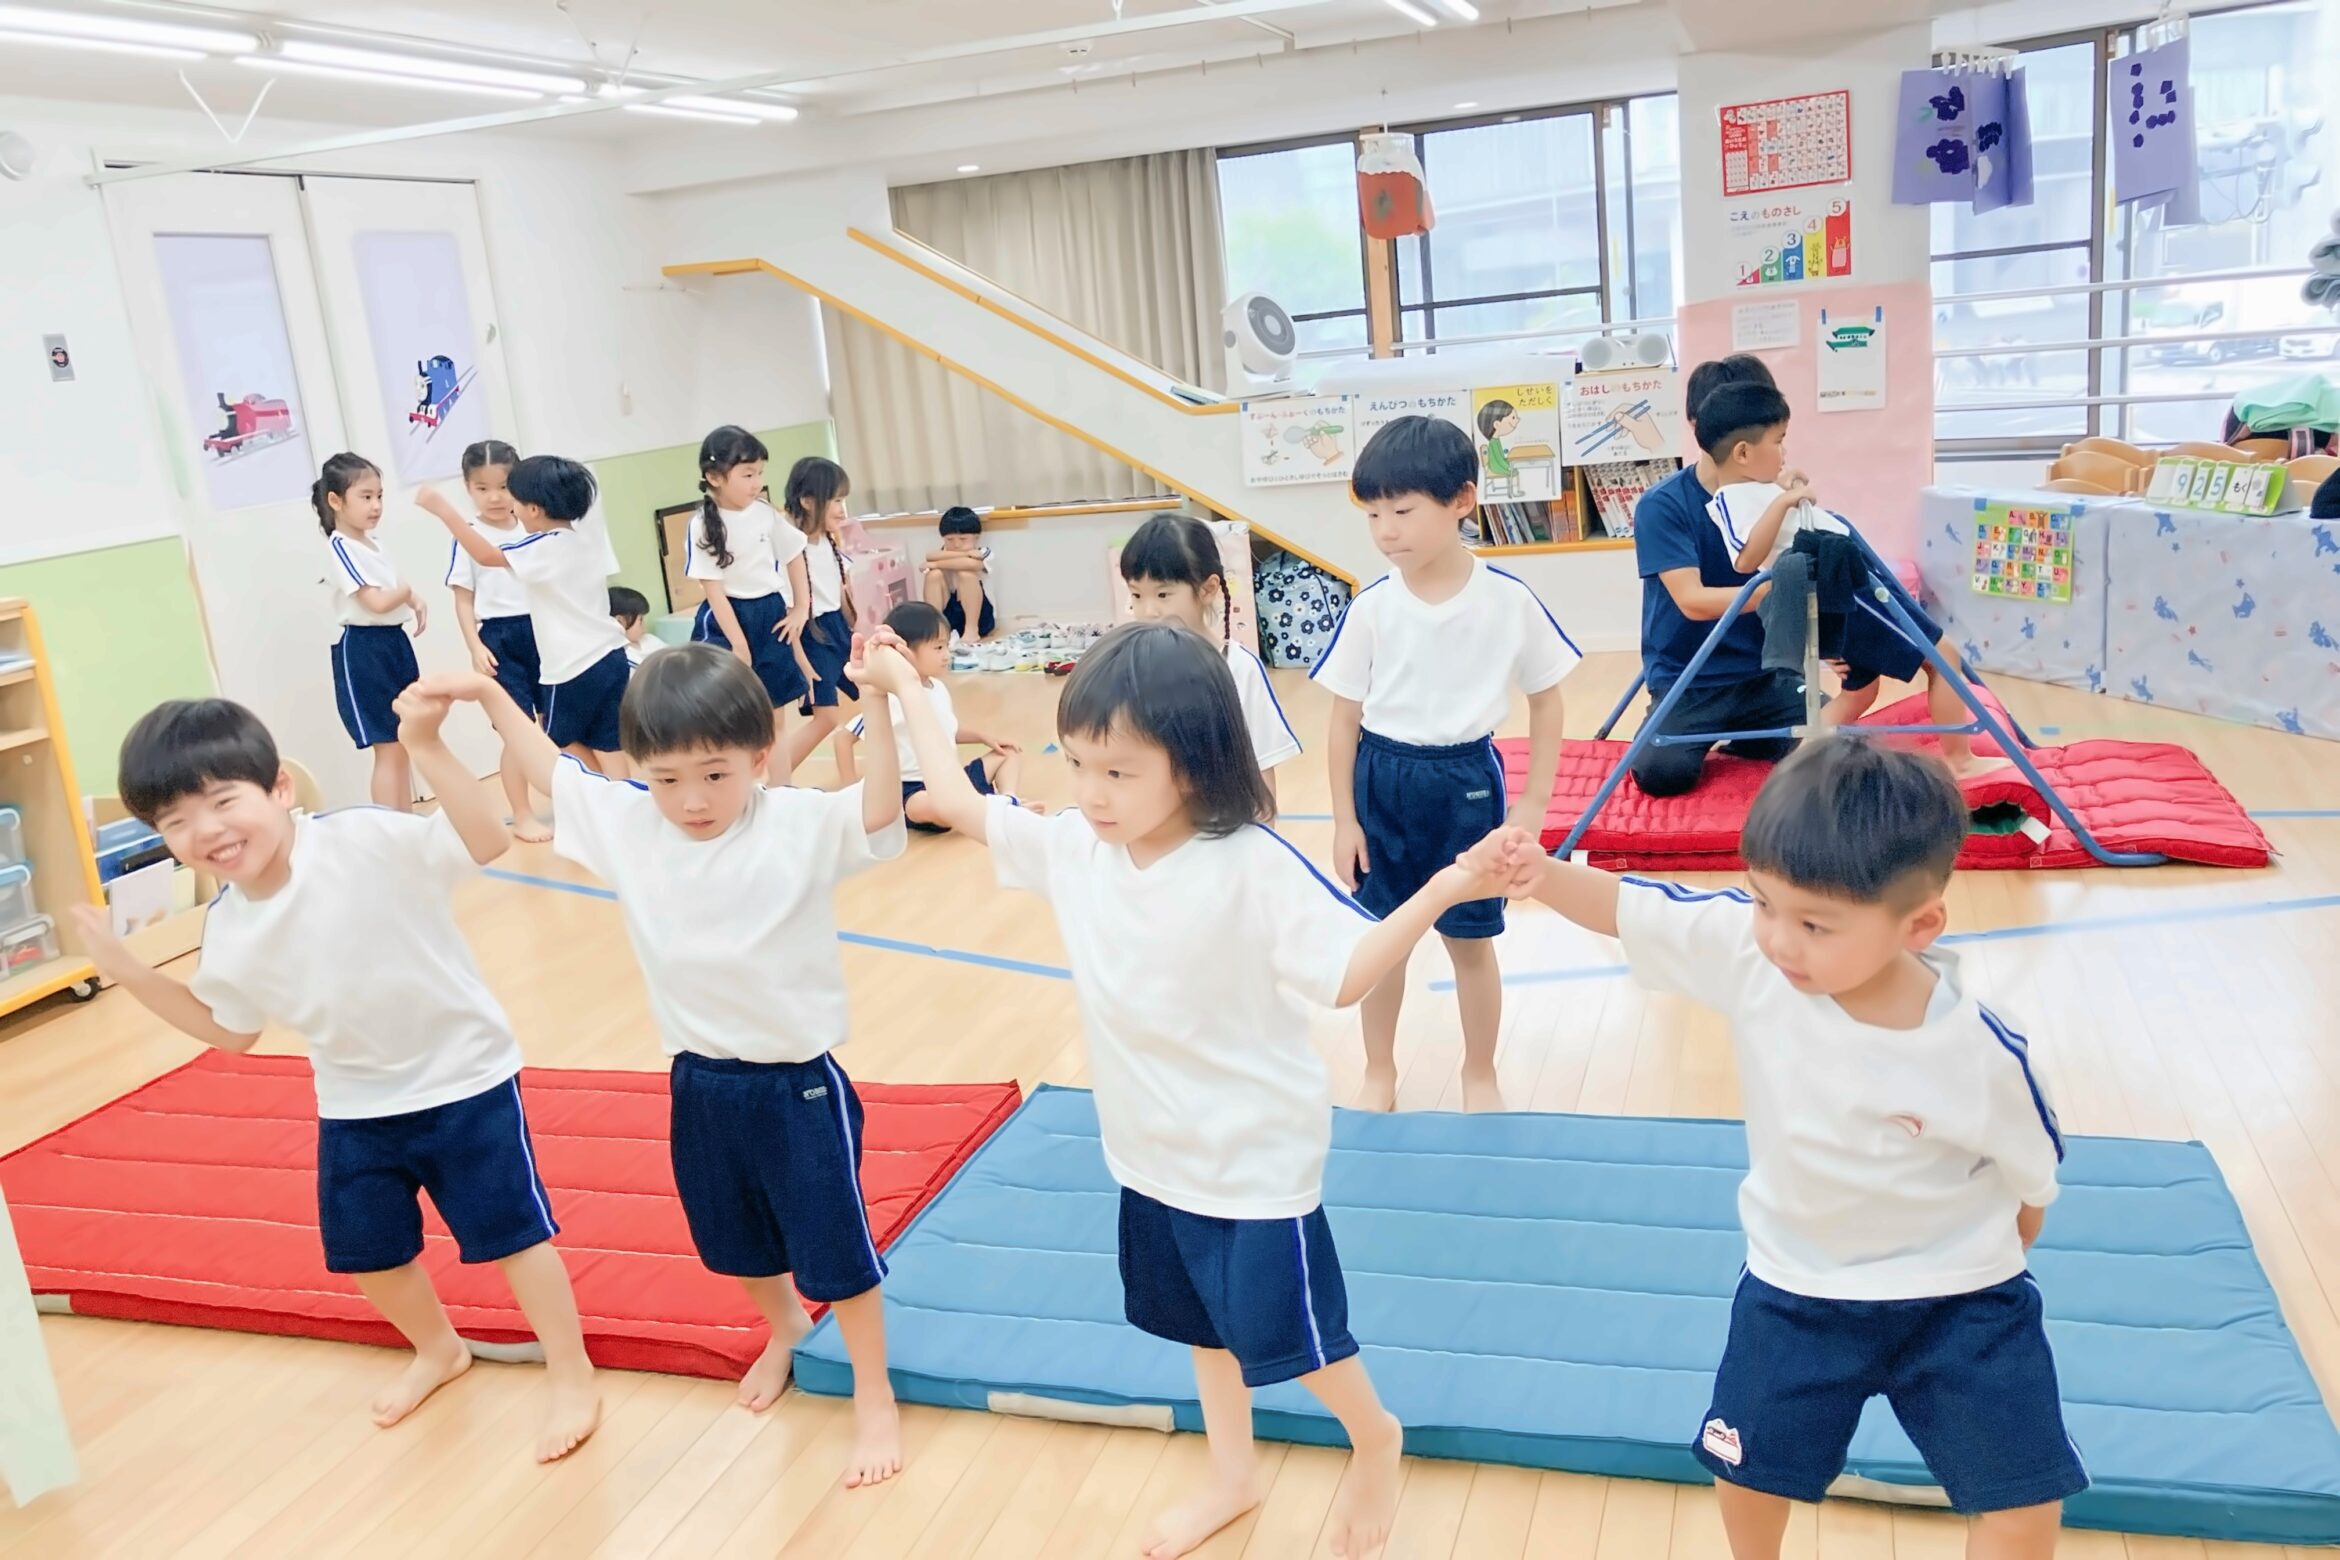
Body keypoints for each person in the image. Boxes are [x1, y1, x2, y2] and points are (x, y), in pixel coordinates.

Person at [878, 619, 1521, 1560]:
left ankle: (1375, 1435)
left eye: (1119, 771)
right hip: (1149, 1154)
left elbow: (1346, 974)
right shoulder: (1077, 849)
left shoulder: (1248, 864)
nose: (1092, 793)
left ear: (1193, 763)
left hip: (1252, 1163)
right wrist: (901, 685)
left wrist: (1445, 887)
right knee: (1202, 1327)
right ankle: (1232, 1473)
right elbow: (948, 797)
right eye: (1078, 763)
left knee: (1295, 1337)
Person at [1487, 737, 2083, 1560]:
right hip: (1797, 1288)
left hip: (1961, 1299)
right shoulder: (1752, 956)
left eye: (1814, 925)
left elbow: (2033, 1175)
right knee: (1747, 1470)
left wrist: (2002, 1242)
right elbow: (1633, 909)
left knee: (2023, 1496)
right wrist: (1542, 873)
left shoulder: (1977, 1051)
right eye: (1762, 901)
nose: (1779, 939)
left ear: (1919, 925)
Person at [417, 641, 911, 1489]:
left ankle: (875, 1392)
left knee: (836, 1248)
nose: (692, 800)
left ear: (760, 757)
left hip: (795, 1084)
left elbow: (873, 809)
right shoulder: (631, 825)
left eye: (716, 775)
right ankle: (787, 1330)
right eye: (667, 779)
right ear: (641, 770)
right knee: (733, 1238)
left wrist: (882, 708)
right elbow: (553, 771)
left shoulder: (796, 825)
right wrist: (489, 700)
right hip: (698, 1079)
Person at [69, 696, 601, 1463]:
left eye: (223, 801)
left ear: (279, 788)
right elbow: (231, 1030)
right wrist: (127, 969)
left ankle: (571, 1370)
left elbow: (486, 838)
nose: (206, 830)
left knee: (513, 1237)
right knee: (369, 1255)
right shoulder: (231, 929)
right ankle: (440, 1349)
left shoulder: (362, 841)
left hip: (464, 1080)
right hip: (355, 1105)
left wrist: (427, 746)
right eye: (176, 821)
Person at [1312, 415, 1579, 1114]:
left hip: (1466, 787)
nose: (1385, 531)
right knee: (1385, 942)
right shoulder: (1373, 608)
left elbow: (1547, 700)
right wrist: (1345, 820)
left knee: (1471, 942)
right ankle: (1378, 1071)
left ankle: (1480, 1072)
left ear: (1462, 500)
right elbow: (1342, 720)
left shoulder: (1507, 600)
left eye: (1402, 512)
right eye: (1373, 514)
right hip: (1383, 781)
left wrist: (1533, 804)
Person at [1706, 394, 2007, 777]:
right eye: (1778, 441)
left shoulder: (1753, 488)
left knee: (1860, 691)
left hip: (1848, 578)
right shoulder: (1729, 500)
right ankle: (1959, 760)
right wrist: (1785, 501)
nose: (1784, 451)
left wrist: (1783, 490)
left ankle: (1795, 770)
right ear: (1743, 453)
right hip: (1845, 587)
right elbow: (1747, 559)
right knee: (1942, 656)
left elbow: (1770, 514)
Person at [1631, 356, 1805, 798]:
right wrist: (1780, 590)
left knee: (1833, 743)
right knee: (1662, 774)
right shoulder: (1663, 505)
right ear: (1700, 426)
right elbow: (1692, 600)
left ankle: (1751, 738)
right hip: (1692, 680)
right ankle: (1718, 734)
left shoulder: (1777, 497)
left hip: (1764, 678)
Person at [420, 455, 632, 779]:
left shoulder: (544, 545)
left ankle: (595, 792)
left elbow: (486, 555)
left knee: (555, 742)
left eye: (514, 501)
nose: (511, 508)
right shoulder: (584, 539)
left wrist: (443, 510)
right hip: (611, 656)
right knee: (609, 742)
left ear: (533, 509)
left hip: (573, 667)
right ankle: (620, 796)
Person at [1119, 511, 1300, 798]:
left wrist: (1261, 825)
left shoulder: (1238, 667)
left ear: (1208, 589)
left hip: (1224, 818)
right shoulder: (1128, 667)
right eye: (1137, 595)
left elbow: (1262, 767)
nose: (1148, 611)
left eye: (1163, 595)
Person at [686, 426, 813, 782]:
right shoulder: (701, 525)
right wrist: (739, 645)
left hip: (769, 614)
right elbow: (713, 590)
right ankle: (731, 787)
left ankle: (783, 790)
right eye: (747, 475)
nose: (757, 482)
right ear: (714, 477)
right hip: (726, 619)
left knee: (775, 718)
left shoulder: (765, 513)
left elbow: (794, 554)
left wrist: (800, 608)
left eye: (760, 473)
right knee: (724, 718)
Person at [444, 439, 550, 842]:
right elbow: (463, 598)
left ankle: (570, 803)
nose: (494, 497)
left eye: (504, 487)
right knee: (517, 730)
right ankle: (522, 813)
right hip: (500, 639)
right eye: (482, 488)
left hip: (543, 631)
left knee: (555, 724)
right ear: (467, 488)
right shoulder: (468, 535)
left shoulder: (531, 526)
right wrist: (475, 646)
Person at [846, 601, 1022, 833]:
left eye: (947, 646)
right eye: (938, 648)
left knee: (1009, 753)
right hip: (912, 791)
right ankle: (985, 811)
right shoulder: (890, 697)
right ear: (905, 651)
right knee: (926, 807)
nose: (946, 655)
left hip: (949, 782)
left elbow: (945, 731)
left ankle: (1008, 799)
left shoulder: (937, 688)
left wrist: (984, 738)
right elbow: (843, 739)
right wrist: (852, 792)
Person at [316, 452, 422, 812]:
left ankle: (405, 822)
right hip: (365, 651)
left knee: (403, 739)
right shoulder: (340, 547)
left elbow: (391, 591)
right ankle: (391, 826)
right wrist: (407, 592)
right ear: (335, 501)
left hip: (394, 643)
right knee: (388, 746)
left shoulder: (373, 544)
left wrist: (411, 598)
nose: (376, 505)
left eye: (379, 496)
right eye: (365, 497)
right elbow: (376, 602)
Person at [779, 456, 862, 784]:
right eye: (836, 500)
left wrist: (858, 629)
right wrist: (800, 659)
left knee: (878, 693)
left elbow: (840, 594)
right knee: (825, 717)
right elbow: (789, 612)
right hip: (811, 637)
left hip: (837, 630)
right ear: (807, 501)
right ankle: (775, 781)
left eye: (843, 500)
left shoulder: (828, 540)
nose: (842, 510)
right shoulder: (790, 549)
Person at [923, 505, 996, 641]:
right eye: (950, 540)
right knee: (933, 575)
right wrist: (965, 554)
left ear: (976, 537)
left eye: (963, 539)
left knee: (966, 574)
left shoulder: (983, 552)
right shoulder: (941, 553)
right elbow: (929, 556)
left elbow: (972, 564)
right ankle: (936, 629)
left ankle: (971, 631)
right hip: (949, 616)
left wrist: (936, 564)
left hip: (980, 617)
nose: (956, 544)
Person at [611, 586, 662, 668]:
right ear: (620, 621)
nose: (644, 626)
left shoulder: (649, 639)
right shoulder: (622, 658)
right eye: (640, 620)